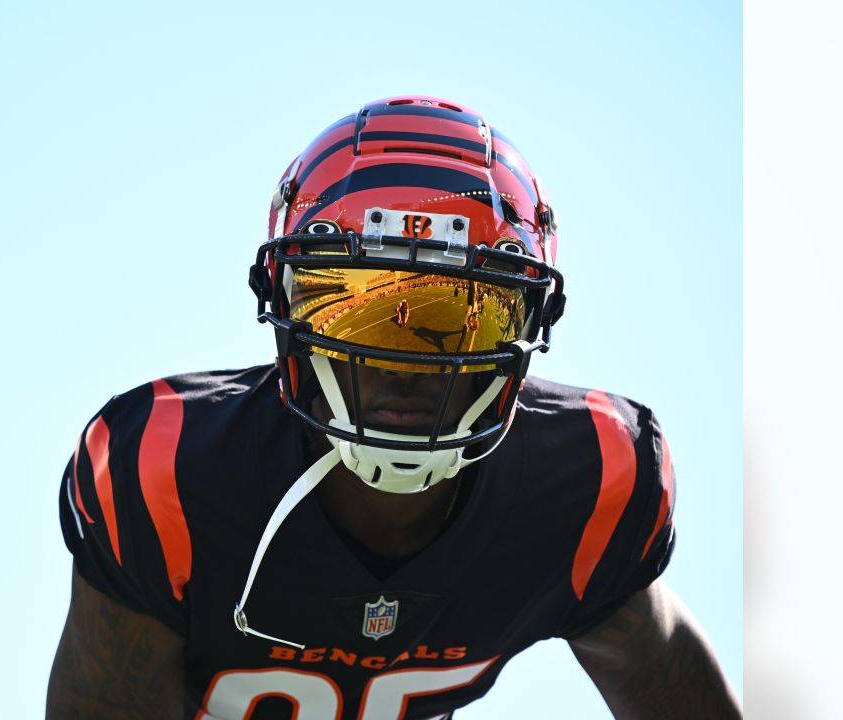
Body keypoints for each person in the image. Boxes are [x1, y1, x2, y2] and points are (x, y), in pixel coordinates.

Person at [47, 96, 740, 719]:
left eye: (462, 314)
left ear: (529, 323)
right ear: (287, 306)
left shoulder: (589, 483)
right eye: (361, 311)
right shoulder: (168, 469)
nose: (404, 365)